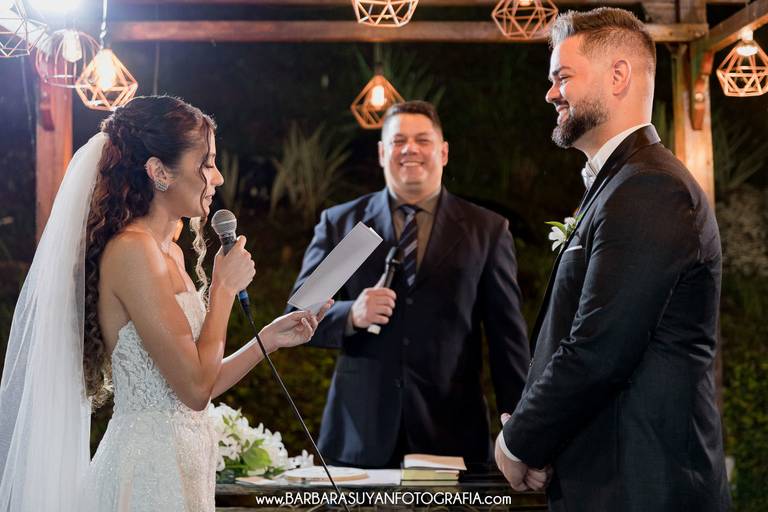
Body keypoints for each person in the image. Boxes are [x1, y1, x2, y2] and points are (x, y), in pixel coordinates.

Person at [0, 95, 330, 512]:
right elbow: (195, 389)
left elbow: (197, 383)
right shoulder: (132, 252)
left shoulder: (170, 252)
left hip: (185, 465)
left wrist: (267, 340)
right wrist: (223, 290)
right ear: (159, 172)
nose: (218, 178)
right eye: (206, 164)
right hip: (146, 474)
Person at [495, 8, 730, 512]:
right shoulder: (621, 184)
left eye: (562, 77)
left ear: (618, 76)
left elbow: (600, 348)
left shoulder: (651, 187)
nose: (551, 93)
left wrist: (518, 442)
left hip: (641, 488)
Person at [288, 100, 529, 468]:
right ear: (382, 153)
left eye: (422, 140)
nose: (409, 149)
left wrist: (522, 438)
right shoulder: (345, 223)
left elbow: (507, 342)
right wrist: (351, 314)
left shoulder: (487, 230)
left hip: (452, 436)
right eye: (398, 141)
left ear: (443, 152)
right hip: (358, 436)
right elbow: (297, 316)